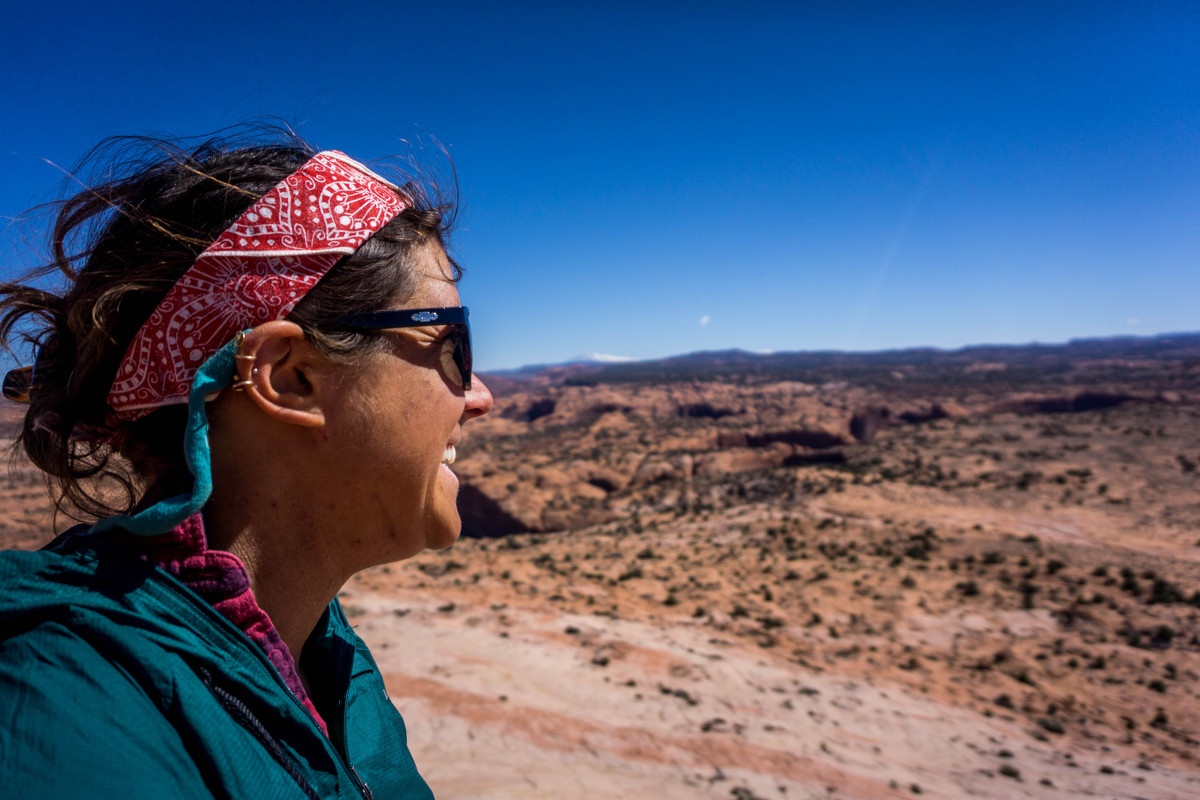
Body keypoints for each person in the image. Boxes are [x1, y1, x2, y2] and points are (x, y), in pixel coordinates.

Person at [0, 129, 493, 798]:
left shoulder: (327, 657)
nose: (482, 397)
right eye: (453, 344)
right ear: (289, 377)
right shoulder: (72, 717)